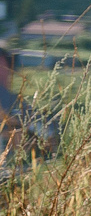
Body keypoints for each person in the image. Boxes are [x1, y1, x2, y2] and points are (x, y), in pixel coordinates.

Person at [0, 43, 61, 179]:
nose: (3, 72)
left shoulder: (11, 99)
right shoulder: (7, 98)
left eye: (4, 67)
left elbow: (46, 130)